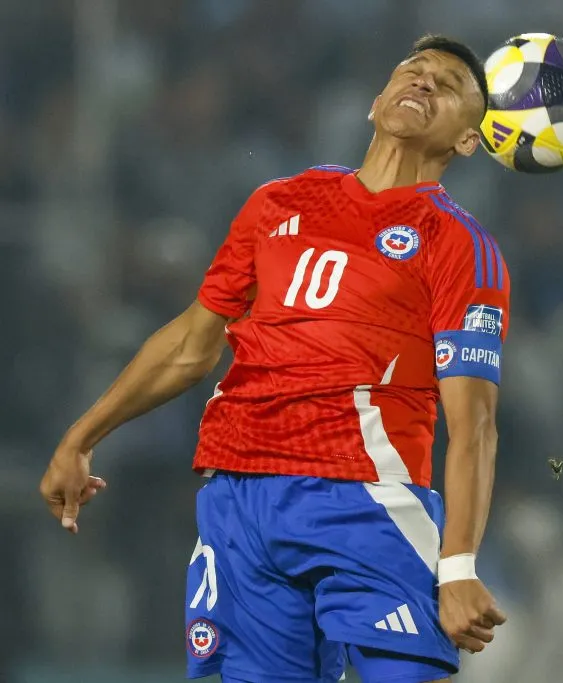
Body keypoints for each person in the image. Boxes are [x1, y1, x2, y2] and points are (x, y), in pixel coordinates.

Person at [39, 34, 509, 683]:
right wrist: (82, 435)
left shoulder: (459, 244)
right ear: (375, 103)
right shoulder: (278, 202)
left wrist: (458, 564)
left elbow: (475, 422)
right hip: (239, 499)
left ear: (467, 141)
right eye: (414, 69)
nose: (425, 82)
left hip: (365, 499)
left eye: (449, 85)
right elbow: (191, 345)